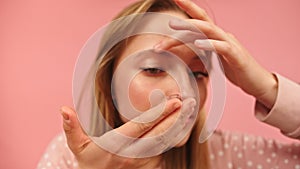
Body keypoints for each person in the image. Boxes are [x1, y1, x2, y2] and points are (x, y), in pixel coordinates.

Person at [37, 0, 300, 169]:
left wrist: (266, 87)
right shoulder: (68, 158)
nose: (185, 93)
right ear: (109, 82)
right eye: (154, 69)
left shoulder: (227, 154)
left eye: (198, 74)